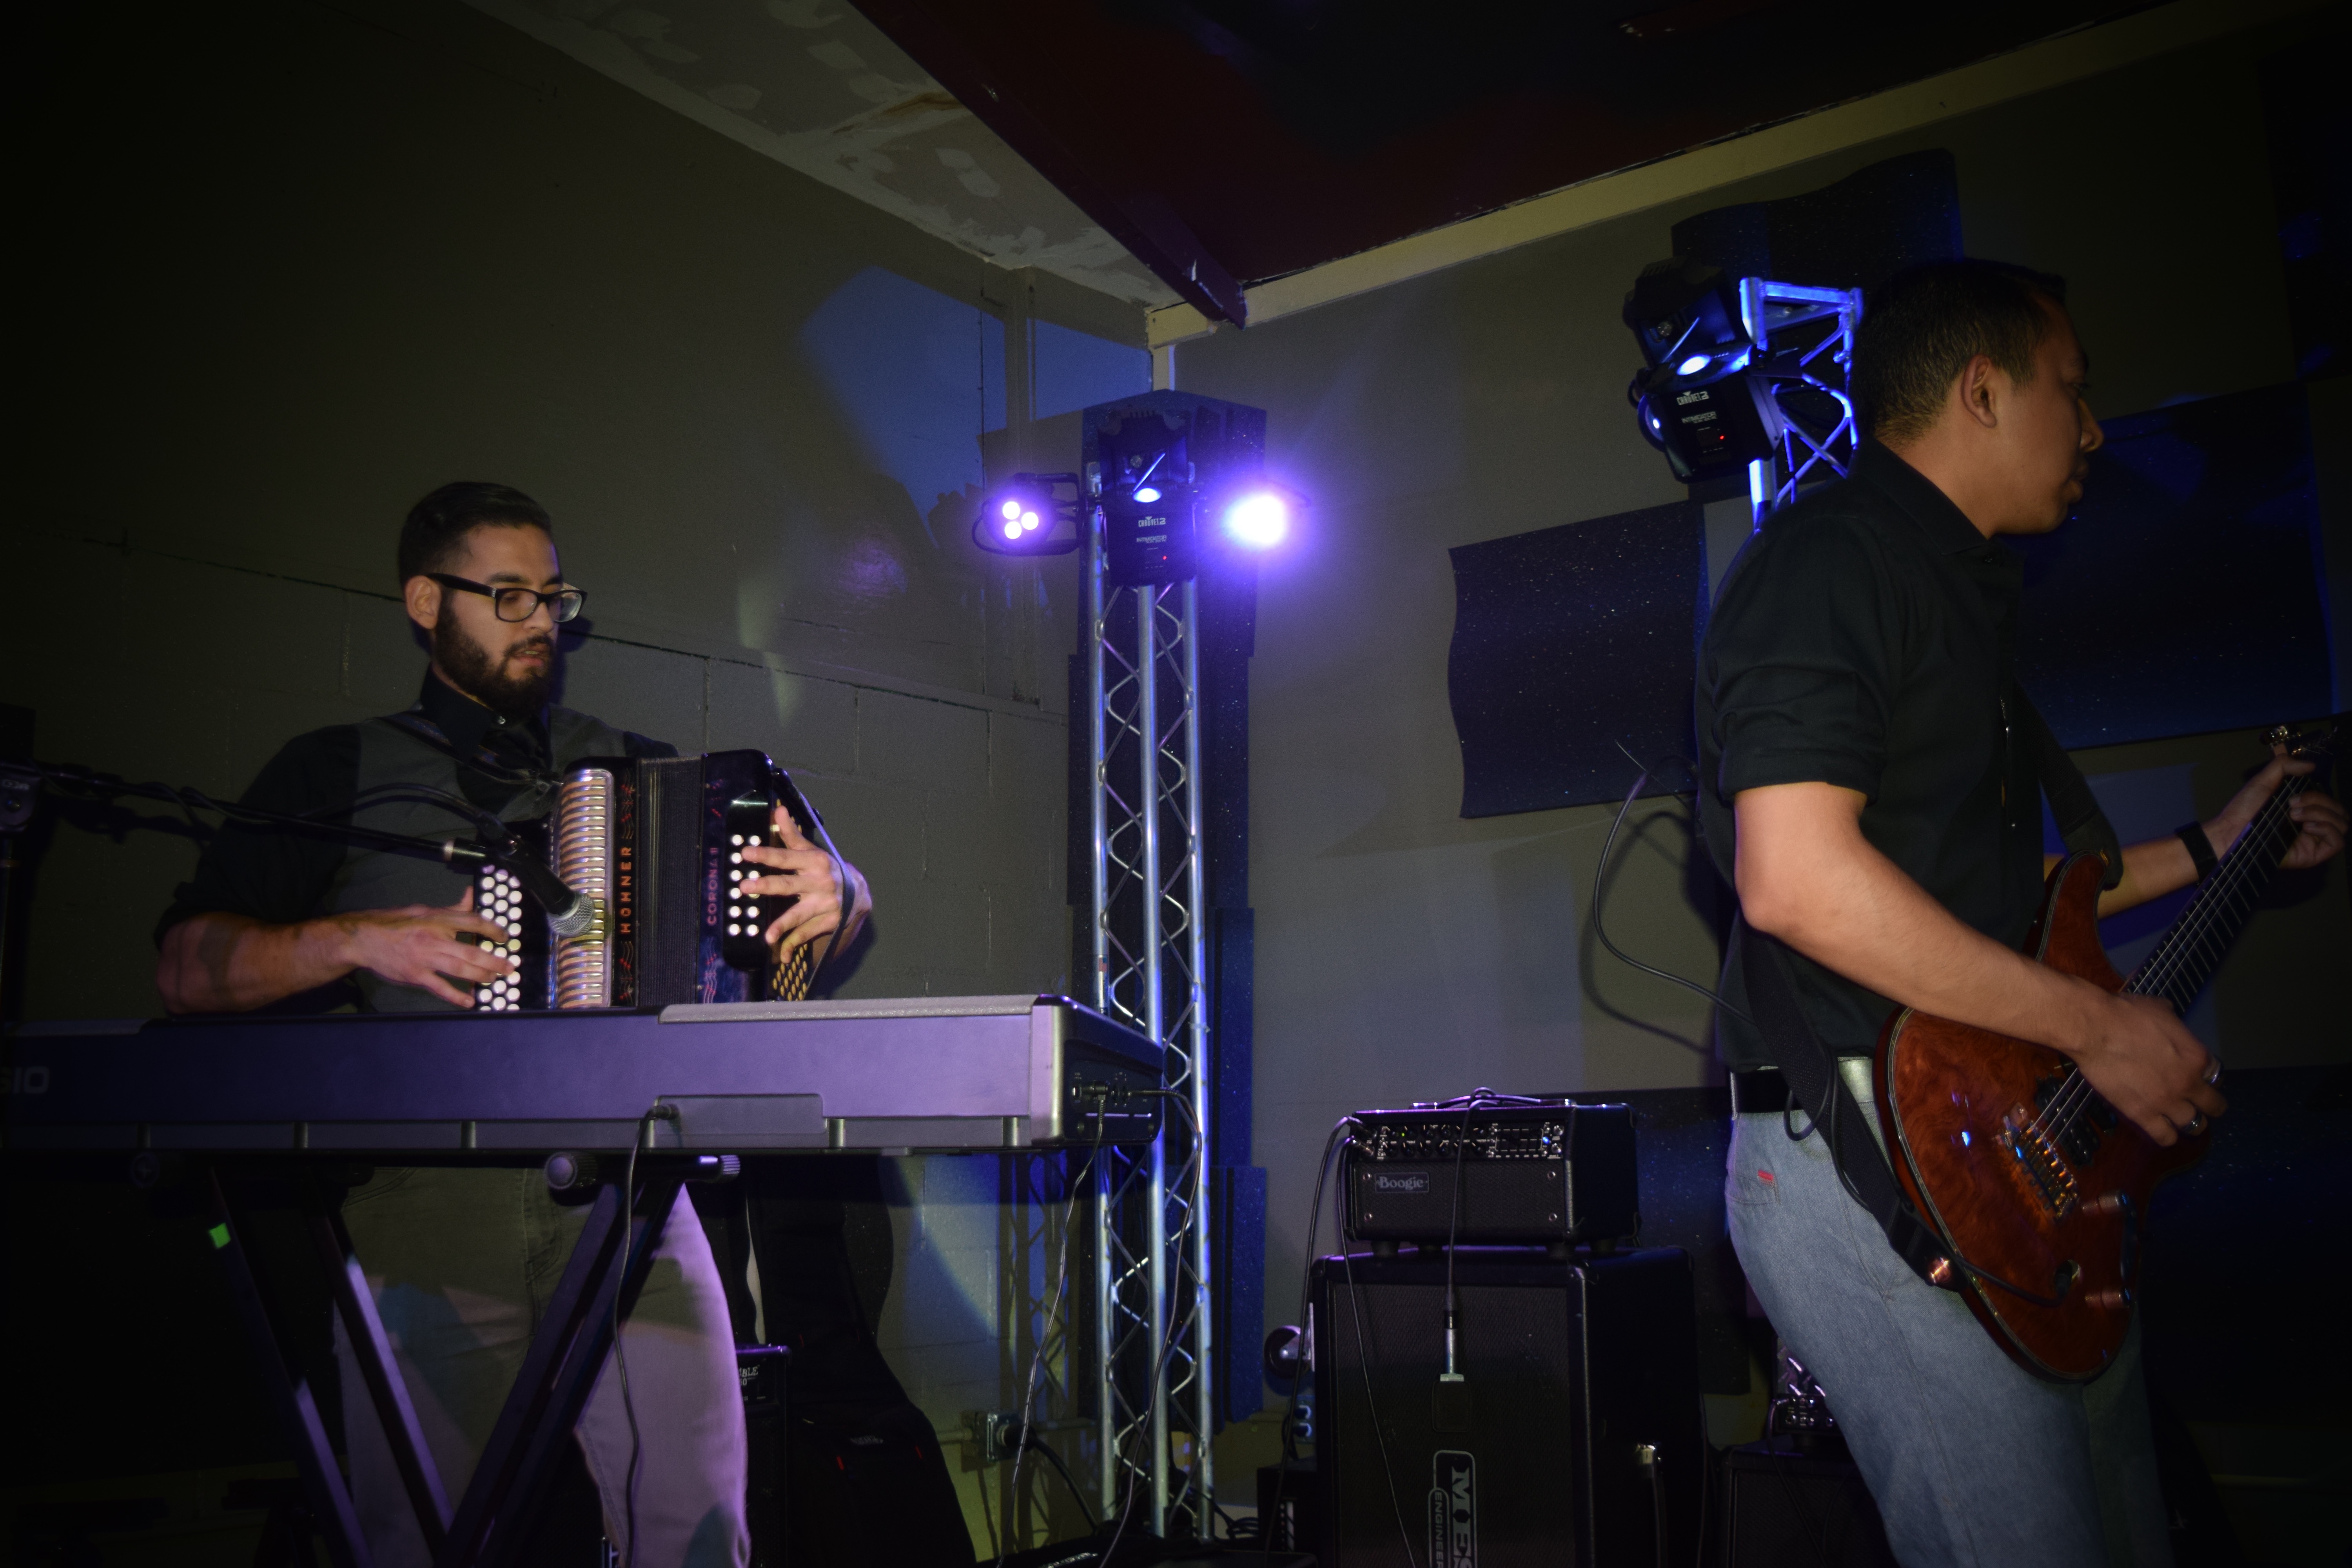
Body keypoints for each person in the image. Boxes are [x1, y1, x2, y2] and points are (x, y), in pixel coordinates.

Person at [1697, 261, 2345, 1566]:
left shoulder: (1952, 591)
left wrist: (2218, 847)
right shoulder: (1834, 560)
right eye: (2074, 390)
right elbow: (1800, 882)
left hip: (1994, 1156)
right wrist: (2099, 1031)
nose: (2095, 429)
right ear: (1983, 391)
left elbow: (1991, 909)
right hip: (1876, 1157)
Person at [156, 481, 870, 1567]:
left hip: (635, 1191)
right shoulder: (336, 769)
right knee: (419, 1537)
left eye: (554, 597)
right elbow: (184, 968)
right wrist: (355, 940)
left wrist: (843, 890)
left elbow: (811, 905)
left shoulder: (634, 763)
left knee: (700, 1529)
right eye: (508, 596)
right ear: (424, 602)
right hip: (431, 1203)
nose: (542, 621)